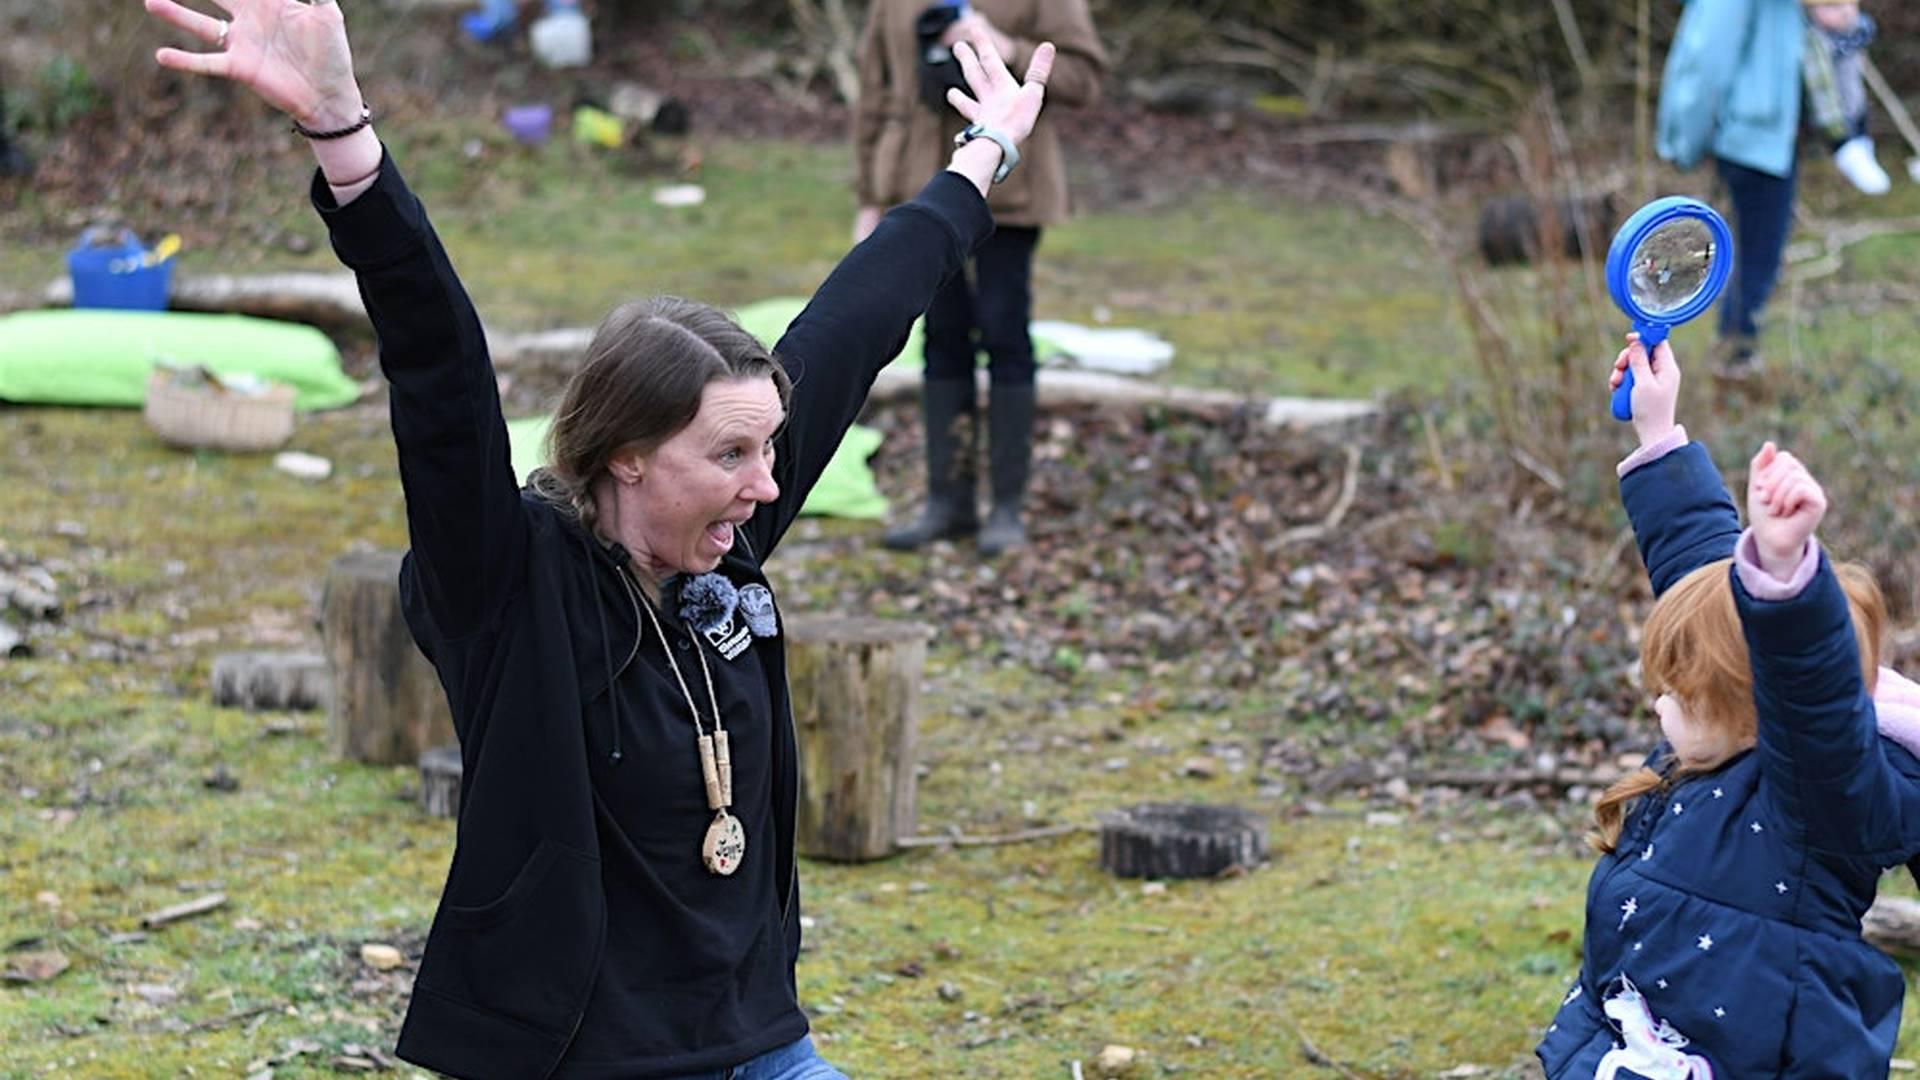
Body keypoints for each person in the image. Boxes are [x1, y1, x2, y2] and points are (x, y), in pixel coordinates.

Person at [140, 0, 1057, 1075]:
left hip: (759, 1044)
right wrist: (345, 137)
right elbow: (439, 369)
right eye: (732, 457)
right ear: (627, 452)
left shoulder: (723, 544)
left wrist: (982, 156)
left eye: (770, 452)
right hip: (582, 1057)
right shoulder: (512, 583)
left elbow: (856, 320)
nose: (768, 487)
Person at [1534, 335, 1920, 1076]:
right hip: (1637, 1035)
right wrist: (1658, 429)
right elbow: (1699, 567)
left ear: (1752, 707)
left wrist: (1785, 577)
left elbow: (1809, 692)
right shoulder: (1721, 726)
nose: (1658, 705)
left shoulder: (1820, 796)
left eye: (1679, 692)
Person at [853, 0, 1105, 556]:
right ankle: (949, 502)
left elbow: (1085, 79)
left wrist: (1007, 46)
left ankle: (1007, 507)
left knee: (1003, 331)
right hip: (920, 188)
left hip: (1011, 188)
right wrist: (869, 196)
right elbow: (875, 93)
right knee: (940, 337)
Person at [1656, 0, 1809, 375]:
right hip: (1750, 141)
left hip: (1771, 140)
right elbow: (1705, 62)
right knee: (1755, 255)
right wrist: (1686, 141)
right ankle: (1734, 358)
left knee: (1758, 254)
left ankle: (1737, 351)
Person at [1803, 0, 1890, 195]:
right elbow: (1820, 93)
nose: (1845, 13)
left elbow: (1866, 28)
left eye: (1850, 5)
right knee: (1842, 131)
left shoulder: (1855, 32)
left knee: (1861, 115)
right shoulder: (1813, 40)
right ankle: (1847, 152)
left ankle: (1863, 151)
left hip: (1855, 102)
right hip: (1833, 111)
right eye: (1833, 7)